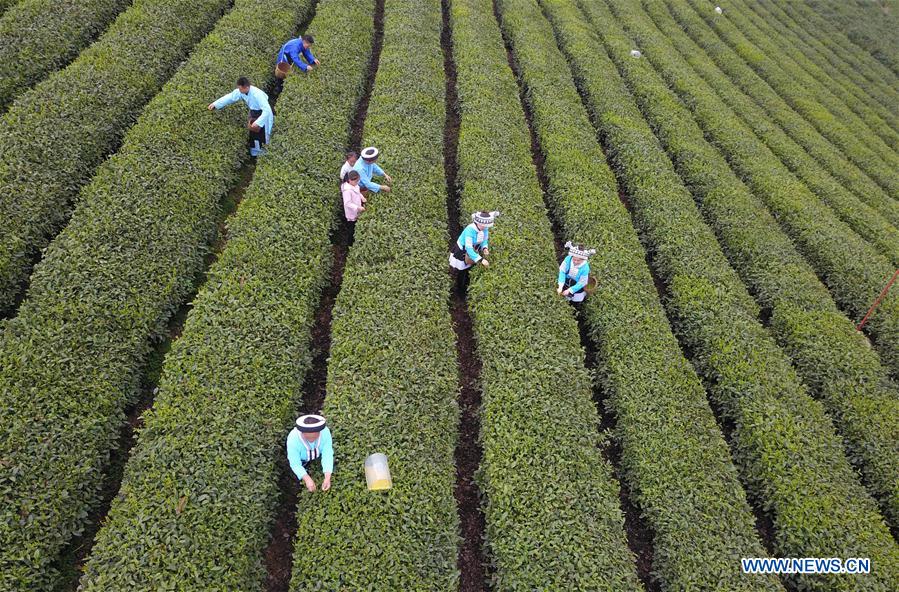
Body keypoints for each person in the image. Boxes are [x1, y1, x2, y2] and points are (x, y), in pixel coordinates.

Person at [208, 77, 273, 157]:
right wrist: (215, 104)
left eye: (240, 89)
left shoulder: (257, 94)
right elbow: (230, 97)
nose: (239, 91)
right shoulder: (241, 92)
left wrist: (258, 122)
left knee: (263, 134)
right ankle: (255, 152)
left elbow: (267, 110)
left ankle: (264, 153)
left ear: (246, 87)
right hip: (254, 113)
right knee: (253, 133)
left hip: (263, 114)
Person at [286, 414, 334, 492]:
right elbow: (295, 464)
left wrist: (327, 477)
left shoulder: (325, 432)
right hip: (302, 460)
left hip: (318, 456)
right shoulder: (293, 439)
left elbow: (327, 454)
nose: (312, 440)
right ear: (302, 432)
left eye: (315, 437)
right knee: (300, 475)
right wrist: (307, 479)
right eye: (308, 437)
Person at [341, 170, 366, 244]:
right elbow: (347, 203)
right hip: (351, 213)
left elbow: (358, 193)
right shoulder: (347, 190)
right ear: (350, 180)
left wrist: (362, 197)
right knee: (351, 230)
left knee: (356, 226)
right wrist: (358, 207)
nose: (357, 183)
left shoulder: (354, 185)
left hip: (357, 208)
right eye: (356, 181)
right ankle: (350, 244)